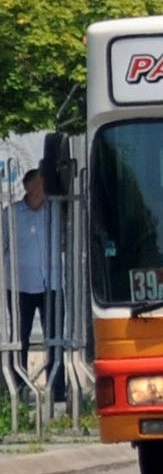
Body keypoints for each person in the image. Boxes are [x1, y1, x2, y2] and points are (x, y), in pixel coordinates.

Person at [7, 169, 66, 404]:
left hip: (51, 284)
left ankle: (57, 390)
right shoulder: (11, 214)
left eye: (44, 184)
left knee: (55, 338)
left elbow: (65, 241)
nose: (42, 189)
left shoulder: (55, 212)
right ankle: (17, 389)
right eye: (38, 184)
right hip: (20, 285)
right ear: (28, 186)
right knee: (19, 337)